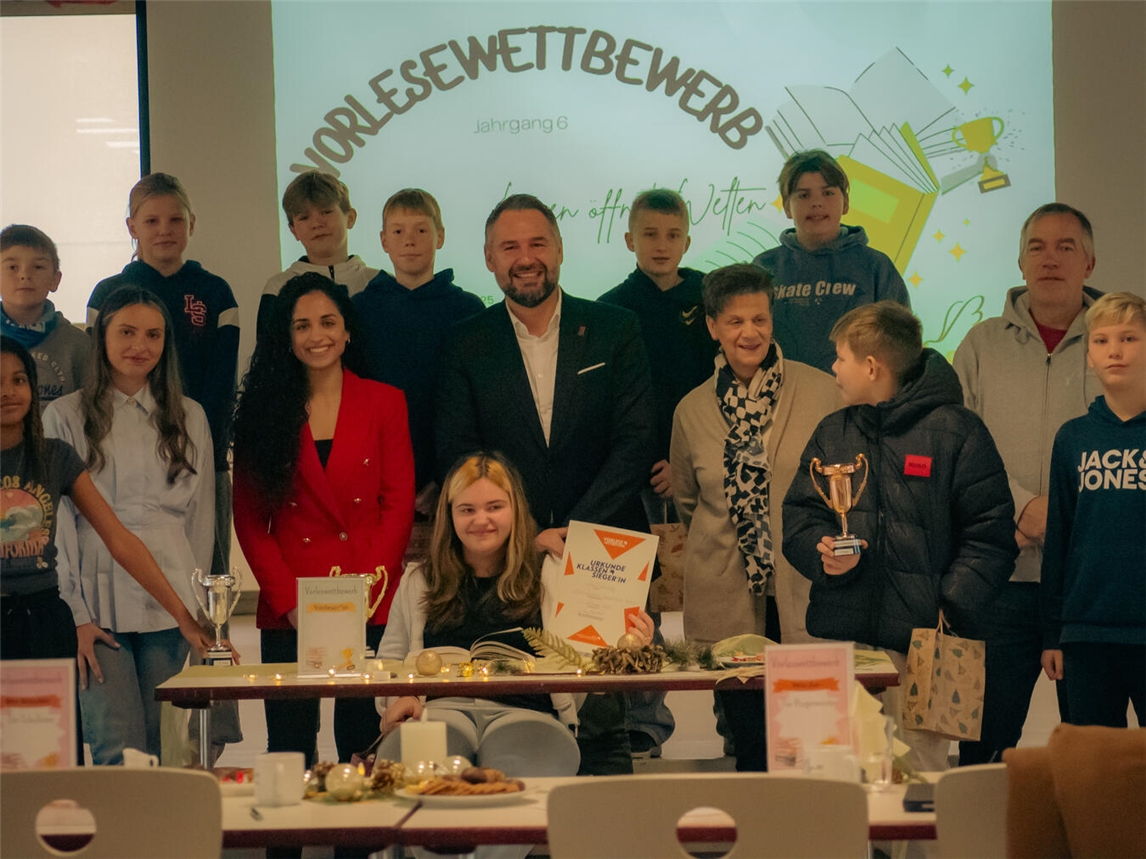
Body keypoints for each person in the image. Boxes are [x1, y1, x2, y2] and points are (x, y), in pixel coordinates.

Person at [436, 193, 656, 774]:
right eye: (510, 246)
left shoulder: (616, 329)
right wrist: (525, 532)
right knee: (519, 729)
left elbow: (636, 439)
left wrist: (577, 532)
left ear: (559, 249)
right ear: (488, 258)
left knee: (606, 729)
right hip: (508, 560)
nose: (525, 257)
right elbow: (460, 452)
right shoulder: (464, 341)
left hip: (603, 550)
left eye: (537, 243)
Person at [782, 301, 1017, 771]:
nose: (833, 367)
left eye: (841, 357)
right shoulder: (834, 430)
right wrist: (822, 552)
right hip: (842, 644)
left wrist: (944, 606)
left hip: (926, 649)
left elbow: (990, 538)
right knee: (835, 778)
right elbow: (801, 515)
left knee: (918, 782)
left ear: (872, 366)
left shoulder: (957, 432)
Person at [233, 272, 414, 765]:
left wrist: (365, 591)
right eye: (302, 325)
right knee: (288, 747)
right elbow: (250, 522)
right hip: (290, 601)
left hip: (369, 600)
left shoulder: (385, 401)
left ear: (348, 330)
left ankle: (355, 842)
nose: (317, 336)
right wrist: (292, 603)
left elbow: (398, 503)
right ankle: (287, 842)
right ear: (285, 338)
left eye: (329, 322)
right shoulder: (260, 411)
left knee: (363, 742)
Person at [39, 287, 218, 766]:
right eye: (127, 332)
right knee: (117, 745)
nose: (140, 345)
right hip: (93, 598)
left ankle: (168, 841)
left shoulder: (190, 414)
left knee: (169, 746)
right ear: (101, 338)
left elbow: (200, 520)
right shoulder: (64, 415)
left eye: (153, 335)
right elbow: (57, 525)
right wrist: (74, 614)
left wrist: (199, 606)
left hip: (172, 598)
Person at [672, 264, 839, 770]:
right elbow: (687, 501)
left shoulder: (821, 393)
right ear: (712, 326)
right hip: (727, 599)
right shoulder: (692, 409)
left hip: (806, 593)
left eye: (760, 320)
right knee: (750, 750)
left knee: (814, 751)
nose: (751, 333)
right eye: (736, 321)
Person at [952, 203, 1103, 764]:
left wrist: (1064, 518)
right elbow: (956, 446)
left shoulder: (1120, 343)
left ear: (1089, 262)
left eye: (1066, 246)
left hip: (1091, 586)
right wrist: (1020, 507)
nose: (1051, 258)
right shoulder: (981, 344)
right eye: (1037, 246)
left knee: (1094, 756)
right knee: (984, 751)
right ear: (1019, 262)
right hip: (998, 578)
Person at [598, 187, 715, 758]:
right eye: (649, 234)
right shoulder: (612, 308)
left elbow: (717, 390)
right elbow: (619, 401)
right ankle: (643, 718)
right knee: (634, 602)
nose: (661, 245)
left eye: (672, 235)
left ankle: (739, 716)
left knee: (719, 592)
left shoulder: (709, 299)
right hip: (635, 477)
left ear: (688, 241)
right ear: (629, 240)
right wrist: (652, 460)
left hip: (702, 468)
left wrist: (686, 458)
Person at [1041, 292, 1145, 728]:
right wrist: (1053, 634)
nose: (1114, 350)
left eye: (1129, 338)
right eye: (1101, 341)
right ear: (1088, 356)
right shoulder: (1072, 439)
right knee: (1094, 778)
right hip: (1086, 635)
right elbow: (1059, 539)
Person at [353, 188, 484, 513]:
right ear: (384, 241)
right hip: (377, 480)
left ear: (440, 236)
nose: (409, 240)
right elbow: (354, 400)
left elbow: (478, 404)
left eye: (421, 230)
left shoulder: (468, 310)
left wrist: (447, 479)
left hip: (455, 480)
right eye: (398, 231)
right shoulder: (359, 310)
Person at [752, 149, 909, 375]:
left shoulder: (876, 266)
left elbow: (901, 346)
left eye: (827, 193)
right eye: (803, 195)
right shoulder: (765, 268)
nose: (816, 203)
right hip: (780, 398)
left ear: (845, 203)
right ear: (787, 207)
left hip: (858, 400)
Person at [257, 171, 377, 341]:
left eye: (326, 212)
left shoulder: (379, 283)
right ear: (293, 230)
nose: (316, 224)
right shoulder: (278, 287)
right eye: (304, 217)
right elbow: (268, 357)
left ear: (350, 218)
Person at [1, 225, 89, 406]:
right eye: (12, 267)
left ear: (55, 279)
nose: (24, 275)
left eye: (38, 266)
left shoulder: (78, 346)